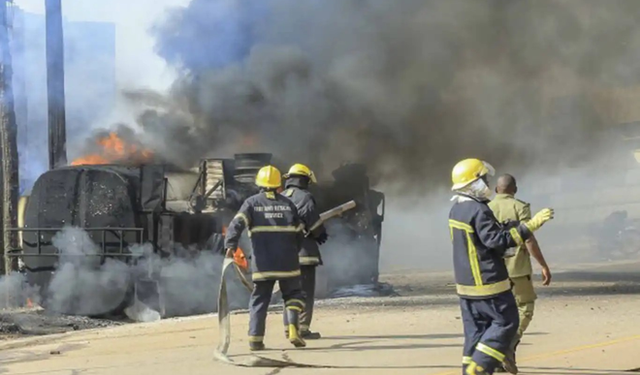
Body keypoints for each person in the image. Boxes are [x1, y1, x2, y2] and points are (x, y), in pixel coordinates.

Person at [449, 158, 554, 375]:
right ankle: (477, 370)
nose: (487, 183)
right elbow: (497, 241)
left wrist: (507, 227)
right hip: (488, 283)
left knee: (475, 332)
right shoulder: (479, 210)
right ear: (474, 182)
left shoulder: (457, 210)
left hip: (466, 286)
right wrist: (530, 226)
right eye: (484, 179)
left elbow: (480, 239)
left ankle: (470, 368)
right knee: (506, 322)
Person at [224, 165, 306, 351]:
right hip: (288, 262)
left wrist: (231, 245)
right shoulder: (288, 204)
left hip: (263, 263)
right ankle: (293, 327)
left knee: (260, 299)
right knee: (293, 295)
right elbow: (299, 234)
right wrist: (294, 251)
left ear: (259, 184)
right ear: (278, 185)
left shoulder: (252, 203)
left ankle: (255, 339)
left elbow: (236, 224)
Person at [488, 174, 552, 374]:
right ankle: (510, 342)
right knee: (525, 307)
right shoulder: (520, 207)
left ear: (496, 190)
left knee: (497, 313)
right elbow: (528, 239)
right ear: (514, 189)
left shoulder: (485, 208)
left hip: (493, 270)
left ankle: (497, 358)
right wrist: (543, 264)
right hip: (517, 268)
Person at [282, 163, 328, 339]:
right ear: (304, 180)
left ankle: (289, 326)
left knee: (289, 292)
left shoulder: (281, 196)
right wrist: (320, 234)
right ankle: (302, 328)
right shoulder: (305, 197)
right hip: (304, 254)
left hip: (284, 255)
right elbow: (313, 221)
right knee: (305, 292)